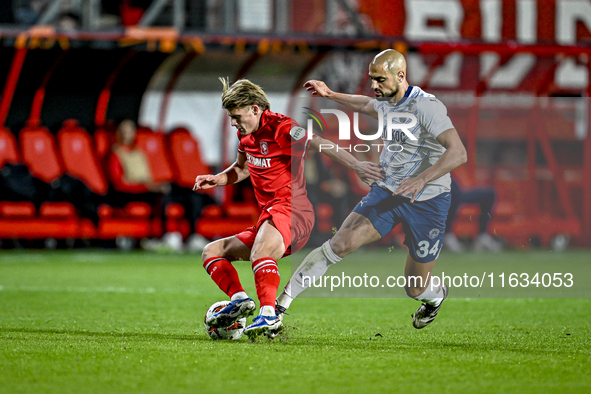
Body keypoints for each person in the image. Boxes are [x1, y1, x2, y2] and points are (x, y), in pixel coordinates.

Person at [276, 49, 467, 330]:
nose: (374, 86)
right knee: (339, 244)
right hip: (388, 193)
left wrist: (422, 178)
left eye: (379, 79)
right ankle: (279, 308)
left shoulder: (427, 107)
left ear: (400, 76)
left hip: (429, 200)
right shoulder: (386, 101)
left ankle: (436, 297)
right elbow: (365, 104)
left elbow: (458, 152)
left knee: (415, 288)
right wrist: (330, 95)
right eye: (371, 79)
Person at [193, 78, 384, 339]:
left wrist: (358, 166)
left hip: (293, 211)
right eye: (231, 117)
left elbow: (321, 143)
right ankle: (240, 300)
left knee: (260, 252)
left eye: (237, 116)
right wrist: (218, 178)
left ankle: (269, 315)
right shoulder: (246, 134)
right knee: (212, 251)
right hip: (270, 216)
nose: (233, 123)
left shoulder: (282, 128)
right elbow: (241, 169)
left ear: (255, 109)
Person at [443, 175, 503, 253]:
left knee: (489, 194)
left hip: (450, 181)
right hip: (438, 187)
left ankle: (482, 236)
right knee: (454, 195)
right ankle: (446, 235)